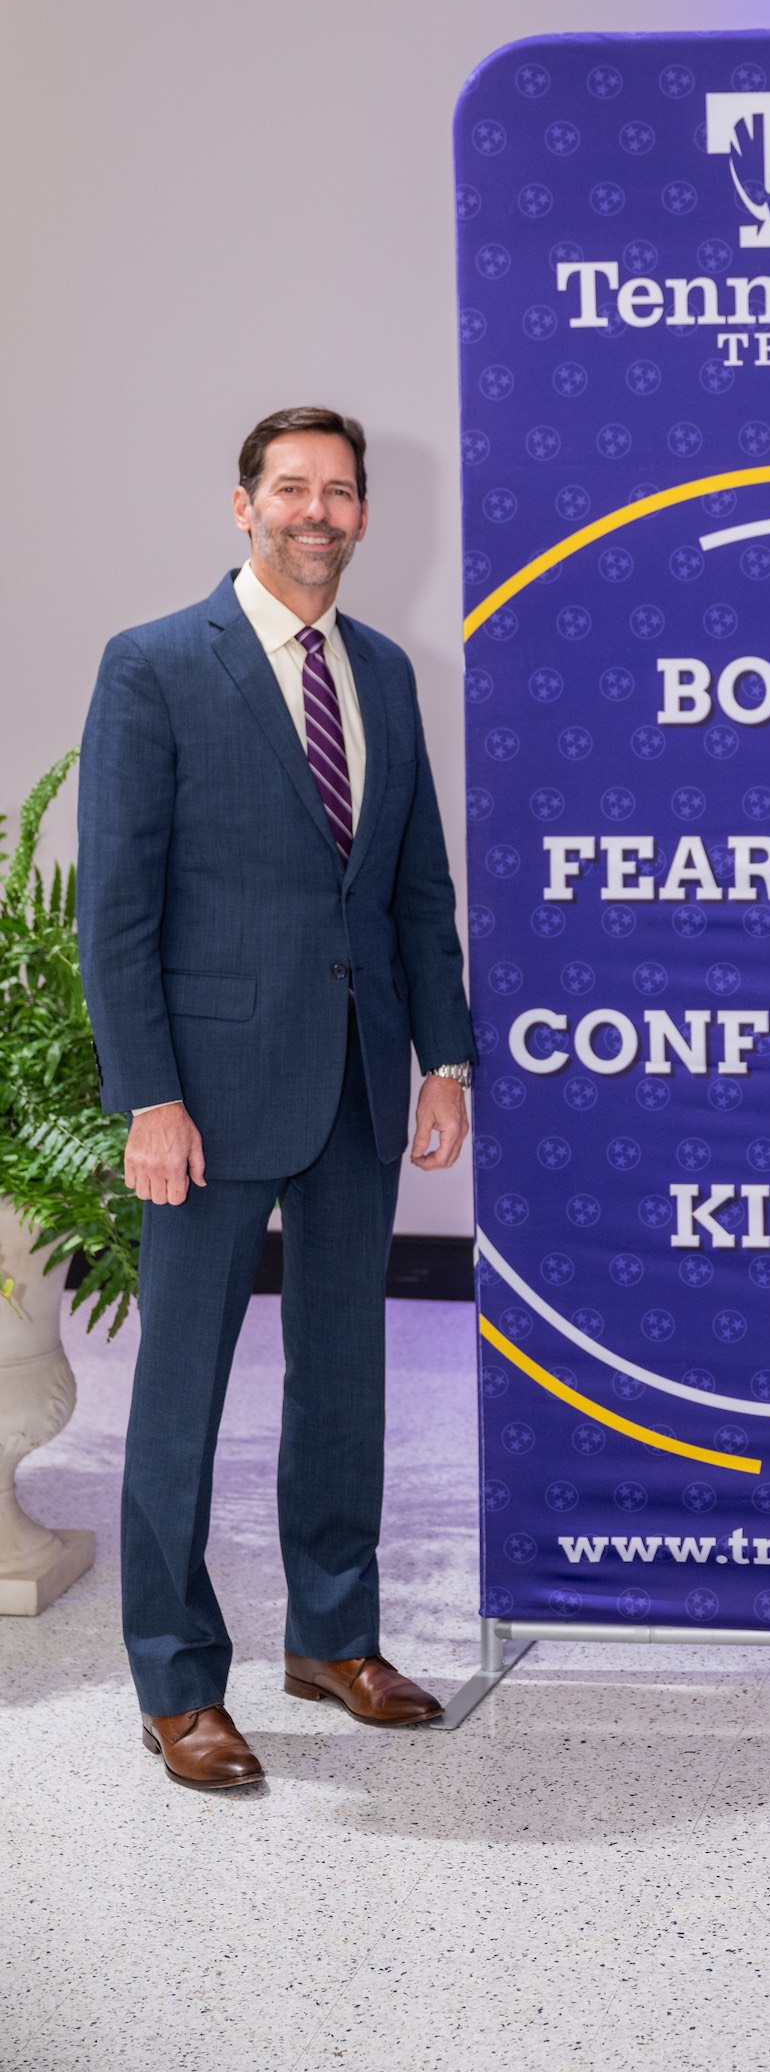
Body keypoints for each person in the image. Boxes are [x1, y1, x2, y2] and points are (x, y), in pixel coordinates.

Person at [78, 406, 476, 1793]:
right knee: (178, 1394)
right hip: (206, 1096)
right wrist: (148, 1099)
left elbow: (415, 886)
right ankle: (178, 1682)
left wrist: (444, 1054)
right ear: (241, 507)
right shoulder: (153, 668)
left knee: (344, 1383)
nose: (320, 512)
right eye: (293, 488)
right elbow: (116, 913)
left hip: (362, 1083)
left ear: (364, 516)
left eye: (342, 492)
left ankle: (333, 1636)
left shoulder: (382, 670)